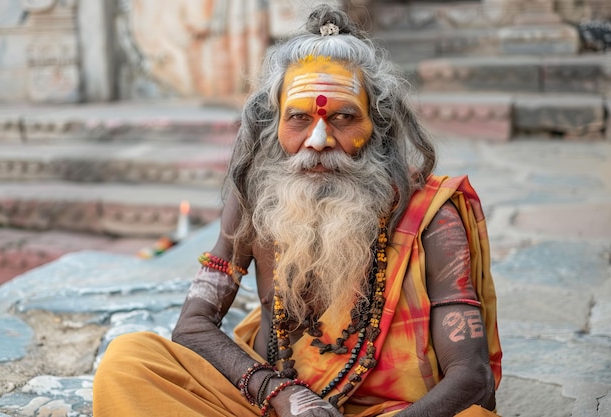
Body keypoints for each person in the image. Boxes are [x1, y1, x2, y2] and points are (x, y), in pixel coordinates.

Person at [93, 5, 502, 417]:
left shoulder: (433, 218)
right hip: (270, 401)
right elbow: (193, 325)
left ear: (376, 127)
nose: (319, 138)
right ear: (275, 124)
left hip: (386, 412)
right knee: (130, 359)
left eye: (343, 117)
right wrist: (284, 395)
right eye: (299, 118)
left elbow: (472, 376)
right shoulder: (255, 200)